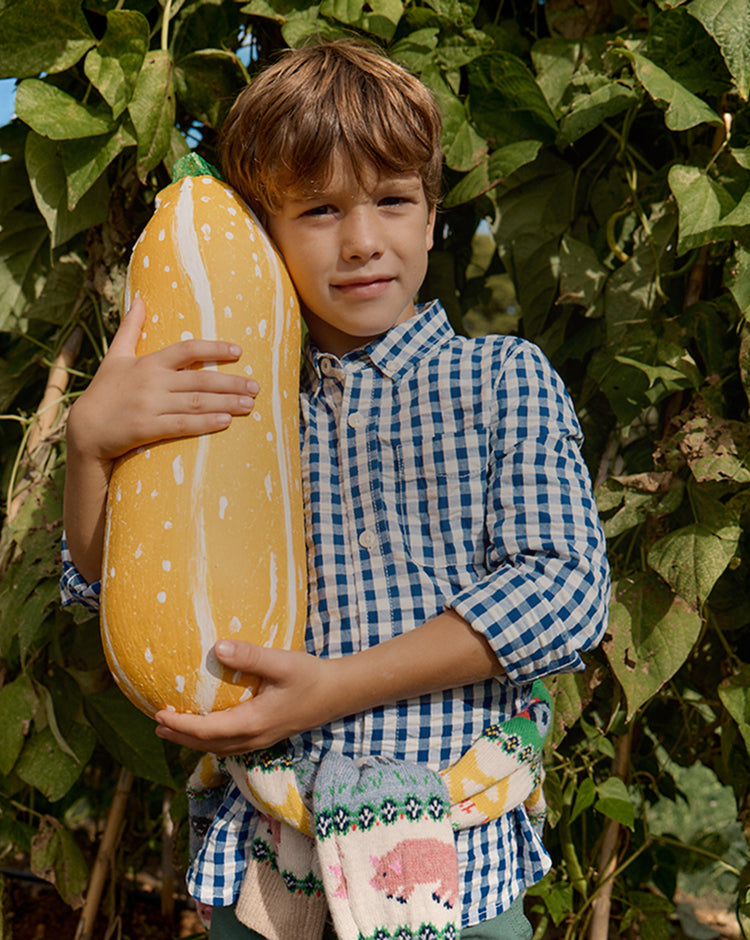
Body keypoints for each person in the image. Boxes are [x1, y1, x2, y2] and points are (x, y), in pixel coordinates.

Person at [61, 40, 610, 939]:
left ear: (432, 216)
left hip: (453, 870)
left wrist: (335, 687)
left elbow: (566, 592)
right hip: (275, 867)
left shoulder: (502, 378)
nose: (362, 242)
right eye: (317, 210)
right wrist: (91, 446)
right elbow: (100, 577)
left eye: (392, 201)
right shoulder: (236, 397)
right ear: (266, 237)